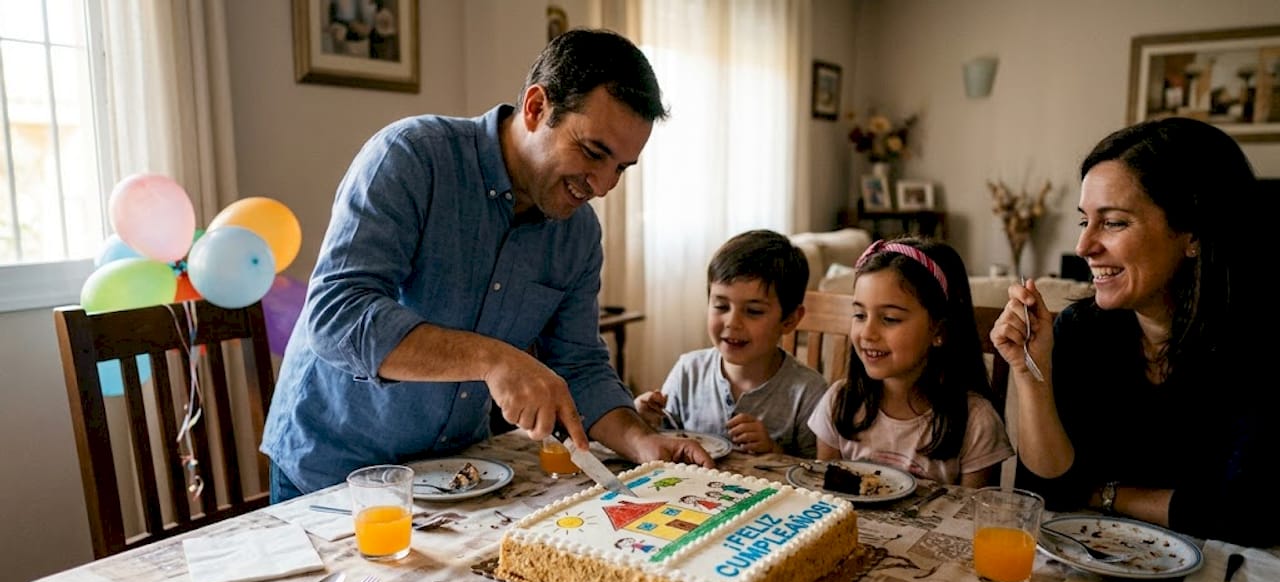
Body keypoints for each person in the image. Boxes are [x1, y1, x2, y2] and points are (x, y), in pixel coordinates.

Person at [262, 29, 713, 501]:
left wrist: (642, 441)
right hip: (332, 471)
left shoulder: (578, 234)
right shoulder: (412, 158)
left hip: (457, 477)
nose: (601, 186)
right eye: (593, 153)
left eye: (621, 168)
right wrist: (492, 358)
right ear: (537, 108)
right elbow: (337, 316)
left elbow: (578, 363)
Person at [992, 116, 1278, 546]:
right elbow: (1046, 490)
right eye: (1084, 221)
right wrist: (1030, 368)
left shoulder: (1260, 346)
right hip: (1094, 563)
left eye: (1114, 222)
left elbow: (1245, 515)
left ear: (1193, 235)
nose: (1083, 246)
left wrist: (1099, 493)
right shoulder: (1079, 331)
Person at [808, 237, 1012, 487]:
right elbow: (824, 498)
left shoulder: (976, 422)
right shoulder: (839, 402)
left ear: (939, 331)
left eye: (890, 318)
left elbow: (970, 519)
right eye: (860, 315)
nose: (867, 333)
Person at [633, 230, 828, 457]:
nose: (732, 322)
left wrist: (773, 450)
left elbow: (814, 473)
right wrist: (645, 421)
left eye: (753, 311)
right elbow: (666, 440)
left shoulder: (809, 393)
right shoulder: (688, 371)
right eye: (721, 306)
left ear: (790, 320)